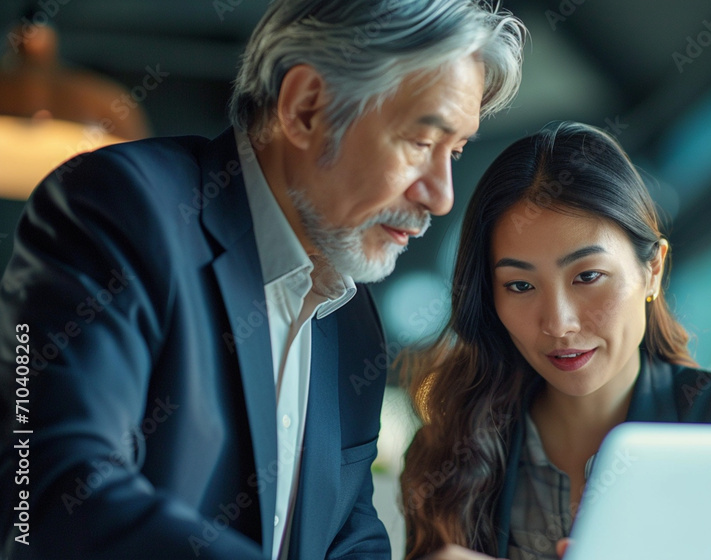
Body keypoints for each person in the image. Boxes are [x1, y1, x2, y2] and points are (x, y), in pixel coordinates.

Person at [0, 1, 524, 558]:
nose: (441, 196)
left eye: (456, 152)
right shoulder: (119, 207)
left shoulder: (350, 317)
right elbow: (52, 491)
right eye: (421, 143)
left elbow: (346, 533)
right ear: (305, 107)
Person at [400, 122, 711, 560]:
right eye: (519, 286)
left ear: (653, 270)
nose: (558, 323)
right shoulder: (447, 457)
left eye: (588, 276)